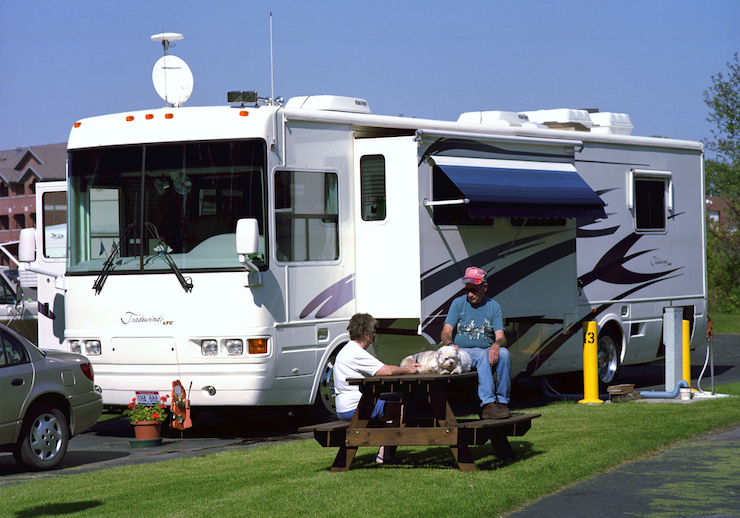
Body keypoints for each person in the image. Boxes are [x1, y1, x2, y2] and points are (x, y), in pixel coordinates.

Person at [334, 312, 420, 464]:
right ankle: (385, 454)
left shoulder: (348, 350)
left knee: (402, 400)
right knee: (403, 409)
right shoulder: (356, 352)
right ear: (366, 334)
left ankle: (385, 447)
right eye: (373, 333)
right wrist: (410, 369)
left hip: (345, 406)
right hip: (354, 407)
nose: (374, 337)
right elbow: (387, 371)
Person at [440, 266, 512, 419]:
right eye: (467, 290)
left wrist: (497, 344)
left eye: (474, 290)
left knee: (505, 354)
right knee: (480, 354)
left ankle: (503, 401)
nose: (470, 294)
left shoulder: (493, 306)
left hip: (486, 350)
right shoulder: (458, 304)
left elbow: (501, 337)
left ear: (484, 287)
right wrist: (449, 345)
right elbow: (446, 332)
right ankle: (488, 404)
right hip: (464, 352)